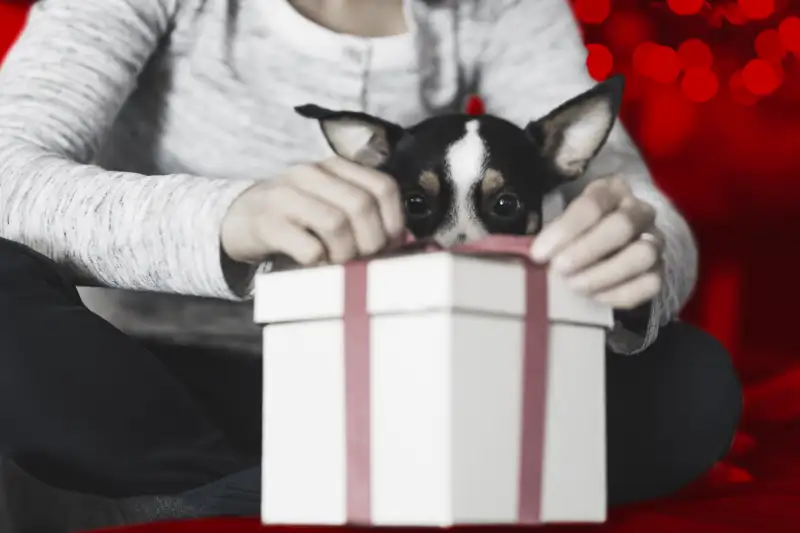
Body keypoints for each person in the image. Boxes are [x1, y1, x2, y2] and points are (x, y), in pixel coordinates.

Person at [0, 0, 741, 530]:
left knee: (688, 380)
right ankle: (286, 485)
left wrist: (640, 252)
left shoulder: (503, 10)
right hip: (155, 378)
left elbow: (633, 199)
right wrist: (235, 217)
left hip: (416, 390)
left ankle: (196, 493)